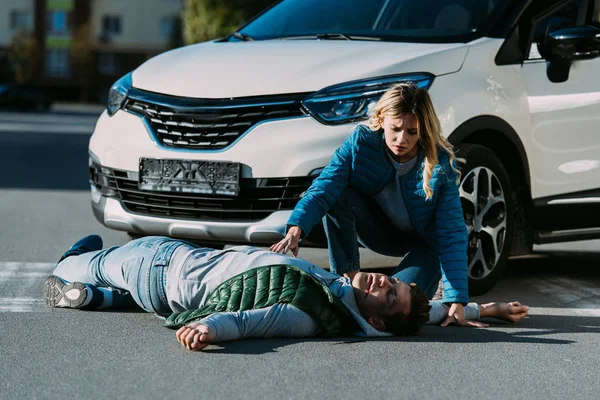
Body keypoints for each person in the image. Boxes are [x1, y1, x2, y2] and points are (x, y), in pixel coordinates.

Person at [44, 235, 529, 351]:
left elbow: (259, 320)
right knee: (124, 291)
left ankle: (82, 273)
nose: (384, 282)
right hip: (168, 291)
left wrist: (209, 329)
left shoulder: (310, 314)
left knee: (81, 261)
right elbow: (428, 310)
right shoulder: (341, 299)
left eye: (387, 296)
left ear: (377, 322)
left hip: (163, 262)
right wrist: (485, 307)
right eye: (394, 282)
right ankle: (98, 298)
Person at [271, 83, 471, 327]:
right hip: (378, 231)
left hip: (424, 248)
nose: (402, 139)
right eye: (395, 129)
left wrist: (457, 299)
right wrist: (296, 229)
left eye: (412, 132)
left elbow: (451, 232)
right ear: (381, 119)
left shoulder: (439, 164)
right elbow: (325, 186)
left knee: (394, 311)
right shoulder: (360, 143)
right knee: (338, 194)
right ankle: (347, 279)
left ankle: (475, 305)